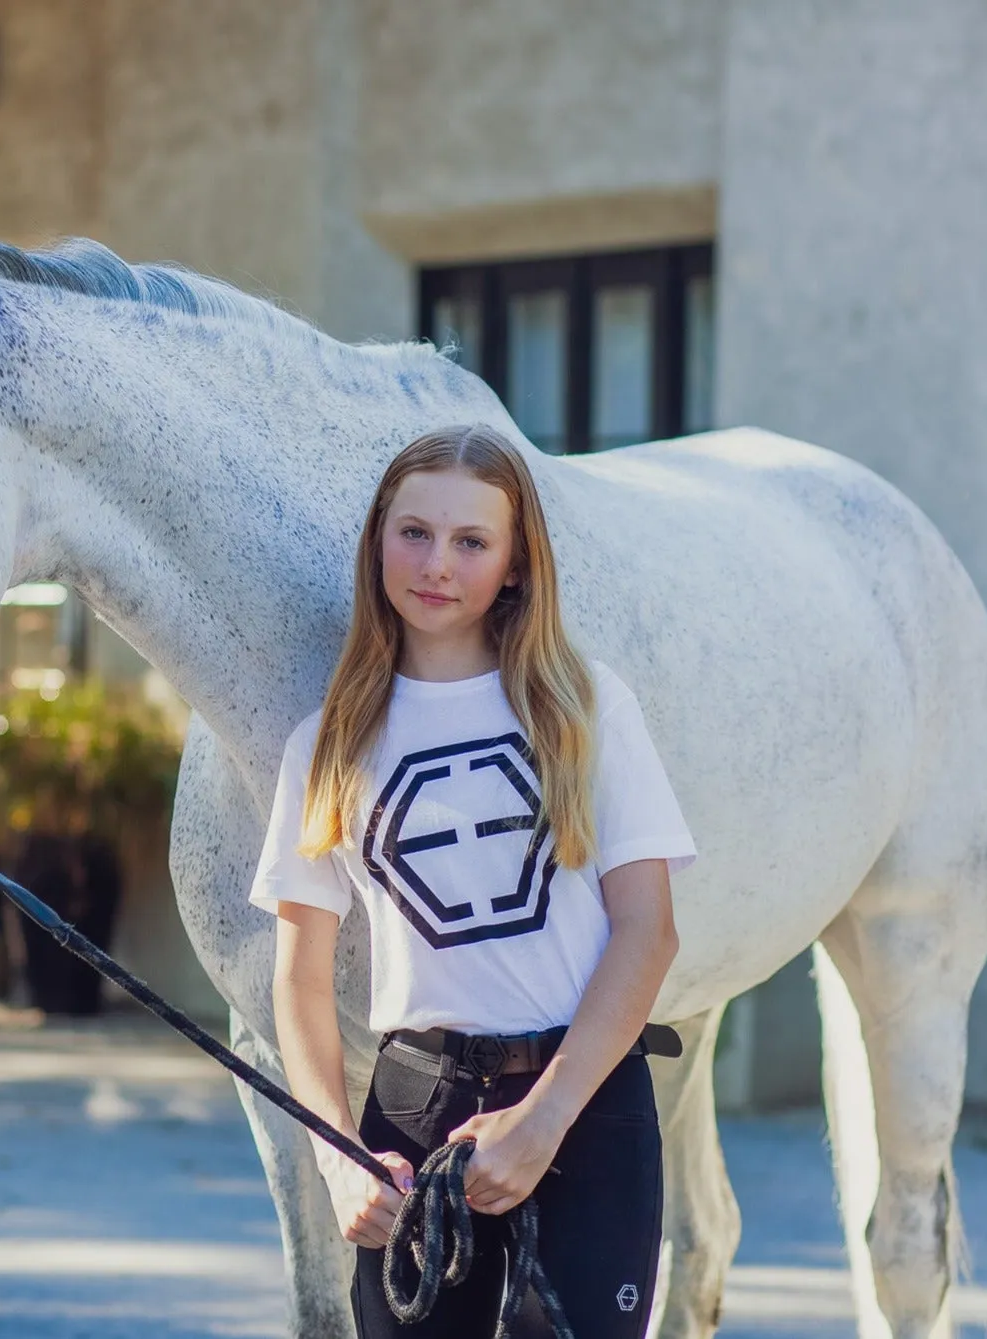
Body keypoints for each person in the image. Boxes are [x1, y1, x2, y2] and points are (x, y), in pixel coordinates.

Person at [247, 424, 697, 1339]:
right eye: (413, 532)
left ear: (517, 563)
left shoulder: (583, 706)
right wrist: (339, 1158)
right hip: (413, 1119)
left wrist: (544, 1120)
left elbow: (647, 930)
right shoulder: (327, 742)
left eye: (471, 542)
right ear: (378, 539)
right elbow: (297, 976)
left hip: (584, 1105)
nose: (436, 564)